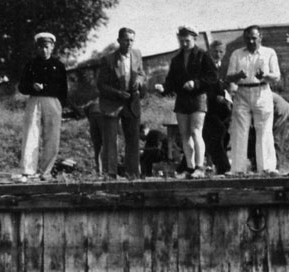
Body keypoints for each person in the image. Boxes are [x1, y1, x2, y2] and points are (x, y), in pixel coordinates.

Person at [155, 26, 217, 179]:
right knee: (184, 134)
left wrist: (195, 83)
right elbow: (171, 81)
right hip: (182, 99)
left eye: (187, 41)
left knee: (196, 131)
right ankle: (189, 167)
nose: (184, 43)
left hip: (198, 98)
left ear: (195, 39)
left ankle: (200, 167)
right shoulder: (176, 59)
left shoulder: (203, 55)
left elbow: (213, 77)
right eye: (181, 40)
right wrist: (163, 88)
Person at [226, 25, 281, 175]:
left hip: (262, 91)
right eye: (247, 38)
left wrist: (265, 75)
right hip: (242, 92)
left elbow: (276, 76)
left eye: (254, 38)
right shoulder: (237, 54)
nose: (250, 41)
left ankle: (267, 168)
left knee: (264, 130)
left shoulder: (269, 53)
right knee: (239, 131)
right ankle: (237, 169)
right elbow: (229, 77)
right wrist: (238, 76)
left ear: (260, 37)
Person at [18, 32, 68, 181]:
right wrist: (32, 86)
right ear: (37, 48)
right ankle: (28, 170)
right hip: (34, 101)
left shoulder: (58, 66)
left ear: (52, 47)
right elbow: (22, 86)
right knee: (30, 134)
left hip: (53, 102)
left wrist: (60, 107)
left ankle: (46, 171)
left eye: (46, 47)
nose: (43, 50)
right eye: (40, 47)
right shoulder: (31, 64)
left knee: (52, 137)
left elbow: (63, 89)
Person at [97, 28, 146, 179]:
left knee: (133, 139)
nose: (129, 43)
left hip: (132, 103)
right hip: (112, 104)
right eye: (126, 40)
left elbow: (142, 73)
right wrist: (118, 93)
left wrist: (139, 80)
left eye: (132, 40)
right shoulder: (108, 59)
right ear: (119, 40)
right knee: (110, 140)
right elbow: (101, 85)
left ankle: (132, 173)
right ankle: (110, 174)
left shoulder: (137, 55)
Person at [203, 40, 232, 176]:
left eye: (221, 52)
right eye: (215, 51)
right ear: (210, 51)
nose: (218, 54)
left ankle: (221, 166)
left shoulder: (225, 66)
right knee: (215, 136)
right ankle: (223, 167)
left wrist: (226, 96)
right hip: (210, 106)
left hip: (225, 107)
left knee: (222, 137)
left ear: (225, 53)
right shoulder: (205, 65)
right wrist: (215, 96)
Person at [247, 92, 289, 171]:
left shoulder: (247, 95)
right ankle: (258, 164)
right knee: (263, 137)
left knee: (271, 138)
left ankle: (273, 167)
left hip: (277, 109)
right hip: (277, 107)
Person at [82, 99, 104, 175]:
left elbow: (85, 108)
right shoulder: (103, 98)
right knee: (106, 144)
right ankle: (105, 170)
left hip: (92, 114)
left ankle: (99, 170)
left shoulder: (91, 101)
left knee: (97, 146)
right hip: (102, 114)